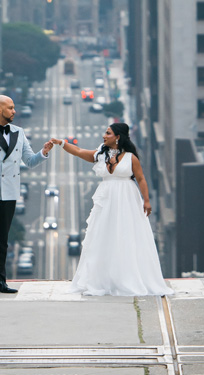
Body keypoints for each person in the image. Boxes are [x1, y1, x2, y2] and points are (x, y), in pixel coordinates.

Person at [53, 122, 171, 297]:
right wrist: (61, 143)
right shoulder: (101, 154)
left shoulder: (131, 158)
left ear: (117, 137)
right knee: (102, 235)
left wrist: (146, 201)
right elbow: (79, 152)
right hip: (106, 200)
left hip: (127, 200)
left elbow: (141, 179)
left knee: (126, 235)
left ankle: (128, 278)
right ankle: (102, 279)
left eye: (108, 133)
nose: (104, 135)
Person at [0, 94, 56, 296]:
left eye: (14, 107)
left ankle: (0, 281)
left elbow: (30, 161)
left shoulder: (18, 132)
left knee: (1, 240)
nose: (14, 111)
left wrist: (43, 152)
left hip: (9, 194)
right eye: (10, 108)